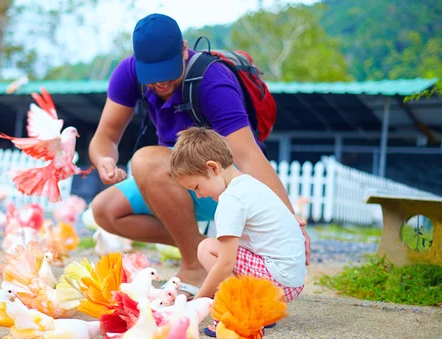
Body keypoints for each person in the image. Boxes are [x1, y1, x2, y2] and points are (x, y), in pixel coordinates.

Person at [88, 13, 310, 298]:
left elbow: (248, 155)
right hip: (175, 180)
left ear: (183, 49)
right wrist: (104, 159)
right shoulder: (129, 72)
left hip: (221, 183)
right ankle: (207, 252)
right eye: (152, 77)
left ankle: (194, 265)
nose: (161, 84)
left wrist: (289, 220)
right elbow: (105, 137)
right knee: (105, 211)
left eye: (168, 72)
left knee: (144, 160)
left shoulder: (212, 80)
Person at [170, 126, 307, 304]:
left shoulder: (231, 200)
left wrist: (197, 302)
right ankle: (260, 307)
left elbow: (226, 264)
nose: (199, 195)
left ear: (213, 168)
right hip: (291, 281)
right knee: (221, 246)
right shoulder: (249, 184)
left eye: (196, 187)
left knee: (207, 247)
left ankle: (241, 307)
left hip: (278, 282)